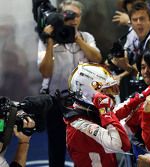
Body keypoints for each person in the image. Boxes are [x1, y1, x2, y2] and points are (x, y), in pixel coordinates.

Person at [37, 0, 102, 166]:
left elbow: (97, 58)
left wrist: (78, 40)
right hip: (56, 101)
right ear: (60, 16)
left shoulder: (86, 37)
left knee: (85, 145)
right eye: (67, 15)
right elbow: (45, 72)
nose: (72, 19)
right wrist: (50, 43)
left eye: (76, 15)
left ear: (80, 18)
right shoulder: (47, 40)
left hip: (83, 101)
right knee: (57, 146)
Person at [64, 63, 130, 167]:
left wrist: (142, 96)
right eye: (105, 91)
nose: (110, 96)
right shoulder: (79, 127)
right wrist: (105, 111)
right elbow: (122, 145)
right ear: (89, 93)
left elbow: (118, 112)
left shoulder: (90, 111)